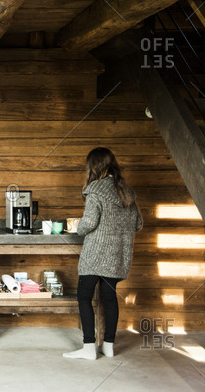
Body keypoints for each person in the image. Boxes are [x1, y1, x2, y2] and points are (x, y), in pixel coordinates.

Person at [63, 147, 142, 360]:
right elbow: (138, 223)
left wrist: (77, 227)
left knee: (84, 296)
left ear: (94, 166)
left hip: (96, 254)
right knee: (109, 298)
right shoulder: (125, 190)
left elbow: (88, 223)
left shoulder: (96, 189)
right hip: (117, 255)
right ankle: (108, 345)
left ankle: (89, 348)